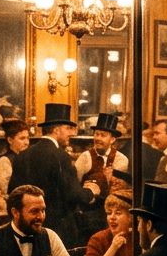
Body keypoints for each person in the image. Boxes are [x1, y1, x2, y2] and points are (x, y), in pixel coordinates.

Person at [8, 103, 100, 246]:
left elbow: (12, 192)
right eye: (68, 128)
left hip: (26, 227)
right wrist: (91, 192)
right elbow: (73, 194)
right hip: (58, 231)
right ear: (56, 130)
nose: (72, 133)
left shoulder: (23, 155)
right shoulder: (60, 156)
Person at [75, 111, 129, 238]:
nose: (98, 138)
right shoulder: (85, 157)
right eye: (96, 134)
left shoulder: (121, 159)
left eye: (103, 135)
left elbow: (121, 190)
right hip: (89, 215)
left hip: (111, 215)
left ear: (112, 139)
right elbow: (75, 187)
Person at [84, 188, 136, 256]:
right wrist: (113, 247)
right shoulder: (97, 239)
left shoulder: (137, 238)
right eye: (109, 213)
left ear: (130, 217)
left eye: (118, 213)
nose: (112, 217)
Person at [0, 119, 30, 194]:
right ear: (10, 140)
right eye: (22, 138)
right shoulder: (5, 161)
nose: (27, 142)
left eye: (27, 138)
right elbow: (6, 191)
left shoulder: (28, 158)